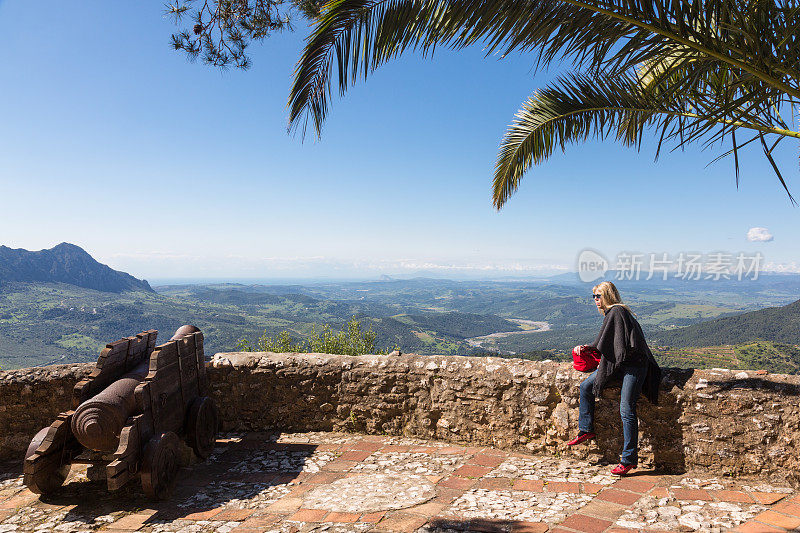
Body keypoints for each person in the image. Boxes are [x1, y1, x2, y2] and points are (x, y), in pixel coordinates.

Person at [567, 280, 662, 476]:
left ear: (608, 296)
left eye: (598, 296)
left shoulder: (616, 312)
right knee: (586, 386)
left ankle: (628, 460)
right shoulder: (614, 313)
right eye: (594, 296)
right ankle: (586, 429)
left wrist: (588, 349)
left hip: (635, 366)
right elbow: (610, 344)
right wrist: (588, 349)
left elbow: (607, 345)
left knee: (626, 408)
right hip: (621, 364)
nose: (595, 300)